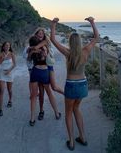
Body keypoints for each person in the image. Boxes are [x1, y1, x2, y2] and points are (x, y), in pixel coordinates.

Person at [50, 17, 99, 151]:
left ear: (71, 42)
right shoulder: (86, 51)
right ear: (80, 42)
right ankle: (82, 137)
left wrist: (53, 25)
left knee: (68, 113)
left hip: (71, 85)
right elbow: (96, 37)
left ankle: (71, 141)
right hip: (83, 84)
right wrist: (92, 22)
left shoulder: (68, 52)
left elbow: (53, 40)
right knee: (77, 109)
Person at [28, 33, 61, 126]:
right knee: (49, 93)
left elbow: (29, 59)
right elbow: (45, 55)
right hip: (44, 71)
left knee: (33, 96)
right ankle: (57, 113)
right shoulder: (44, 48)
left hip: (35, 71)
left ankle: (32, 118)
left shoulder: (31, 49)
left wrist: (32, 50)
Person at [0, 41, 16, 117]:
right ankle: (0, 109)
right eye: (6, 45)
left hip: (9, 74)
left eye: (9, 45)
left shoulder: (12, 54)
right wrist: (2, 59)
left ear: (10, 47)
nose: (7, 46)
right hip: (2, 74)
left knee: (9, 90)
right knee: (1, 90)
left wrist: (9, 71)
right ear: (3, 47)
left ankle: (10, 100)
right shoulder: (0, 54)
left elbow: (15, 64)